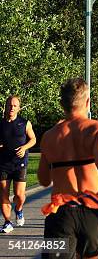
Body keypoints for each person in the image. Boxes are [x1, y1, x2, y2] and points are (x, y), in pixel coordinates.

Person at [37, 78, 98, 258]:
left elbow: (43, 180)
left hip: (62, 210)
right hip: (93, 208)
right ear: (88, 102)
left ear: (61, 103)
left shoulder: (49, 136)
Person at [0, 96, 36, 233]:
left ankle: (19, 209)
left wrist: (24, 147)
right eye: (9, 105)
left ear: (19, 108)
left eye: (15, 106)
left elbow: (33, 139)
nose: (12, 108)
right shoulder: (1, 124)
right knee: (3, 196)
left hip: (20, 163)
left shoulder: (25, 123)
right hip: (3, 164)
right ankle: (7, 222)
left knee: (19, 195)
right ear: (5, 106)